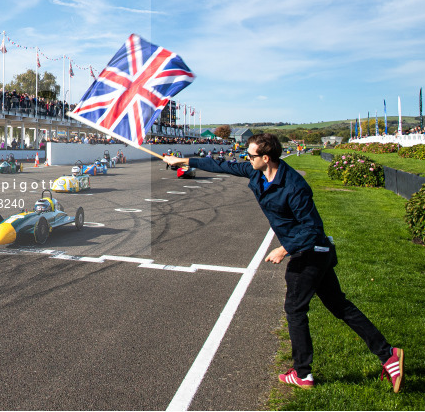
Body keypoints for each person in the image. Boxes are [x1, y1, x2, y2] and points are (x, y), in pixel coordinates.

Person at [163, 133, 404, 392]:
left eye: (251, 155)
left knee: (295, 310)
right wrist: (183, 160)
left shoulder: (294, 186)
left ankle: (303, 373)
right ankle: (389, 355)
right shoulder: (257, 172)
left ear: (265, 158)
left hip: (310, 251)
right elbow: (223, 165)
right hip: (309, 250)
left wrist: (284, 249)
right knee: (338, 306)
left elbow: (312, 228)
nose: (247, 158)